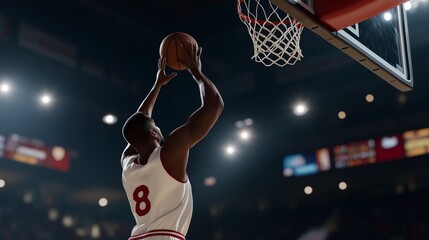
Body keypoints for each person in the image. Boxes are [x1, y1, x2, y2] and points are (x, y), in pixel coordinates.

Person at [121, 44, 224, 240]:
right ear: (153, 133)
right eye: (156, 127)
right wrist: (196, 71)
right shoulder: (168, 155)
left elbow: (140, 119)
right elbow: (215, 105)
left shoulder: (128, 164)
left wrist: (157, 85)